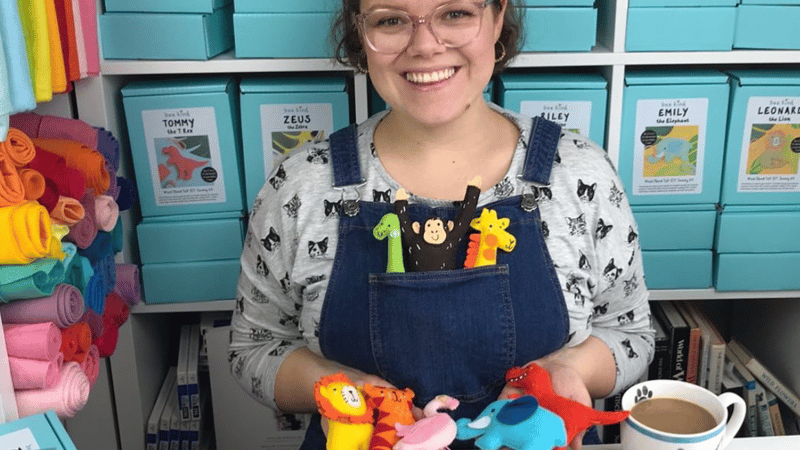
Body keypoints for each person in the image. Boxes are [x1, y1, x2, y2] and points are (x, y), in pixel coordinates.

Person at [229, 1, 655, 448]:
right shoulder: (302, 186)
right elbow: (256, 348)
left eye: (454, 13)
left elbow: (628, 331)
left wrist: (565, 373)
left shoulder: (579, 174)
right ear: (361, 33)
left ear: (496, 19)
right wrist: (353, 393)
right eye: (390, 20)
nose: (425, 45)